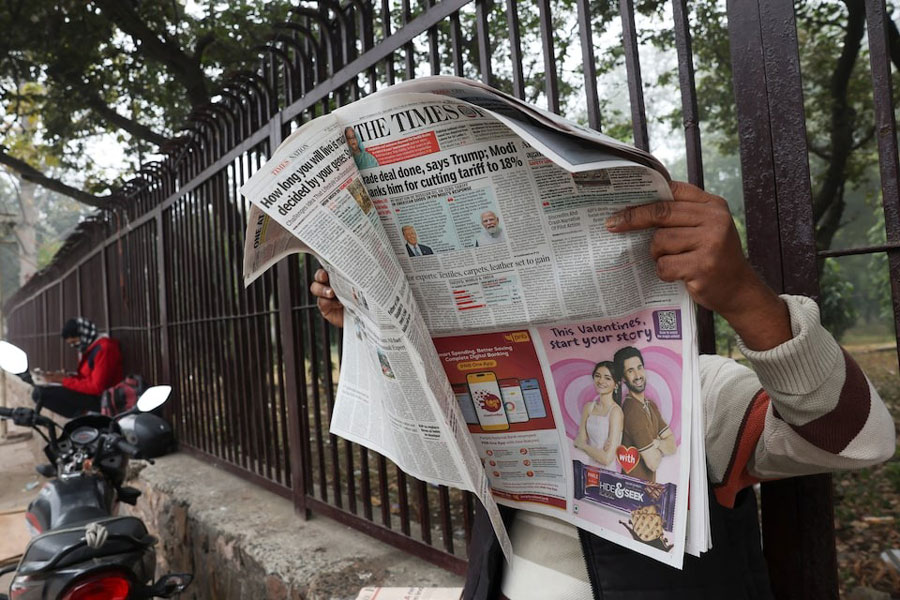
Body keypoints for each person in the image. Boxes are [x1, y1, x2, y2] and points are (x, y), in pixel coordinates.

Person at [310, 181, 896, 599]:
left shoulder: (704, 391)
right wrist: (370, 322)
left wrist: (744, 295)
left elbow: (857, 441)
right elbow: (415, 427)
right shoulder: (499, 386)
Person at [32, 317, 123, 418]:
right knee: (40, 390)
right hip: (92, 394)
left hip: (102, 398)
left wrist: (63, 380)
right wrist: (64, 377)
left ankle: (81, 416)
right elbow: (85, 377)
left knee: (41, 394)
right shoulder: (91, 348)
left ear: (83, 335)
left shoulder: (104, 349)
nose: (75, 346)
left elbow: (97, 387)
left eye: (75, 343)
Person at [615, 346, 676, 482]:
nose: (638, 376)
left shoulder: (650, 405)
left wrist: (656, 444)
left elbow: (672, 447)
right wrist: (661, 443)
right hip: (635, 492)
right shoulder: (632, 411)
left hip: (648, 490)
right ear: (623, 378)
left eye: (639, 367)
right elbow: (653, 463)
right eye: (630, 371)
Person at [573, 361, 624, 470]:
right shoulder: (588, 407)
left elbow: (607, 459)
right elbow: (579, 441)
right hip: (588, 469)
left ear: (616, 384)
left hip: (607, 474)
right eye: (597, 376)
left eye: (607, 378)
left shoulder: (615, 412)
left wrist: (585, 446)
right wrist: (586, 446)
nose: (601, 381)